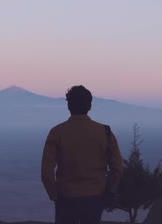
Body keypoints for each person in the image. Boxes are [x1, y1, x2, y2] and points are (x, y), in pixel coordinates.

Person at [41, 85, 123, 224]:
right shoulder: (105, 132)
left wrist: (55, 195)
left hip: (65, 198)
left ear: (69, 106)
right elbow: (117, 168)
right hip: (95, 197)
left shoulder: (57, 132)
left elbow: (46, 171)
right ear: (90, 106)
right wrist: (108, 191)